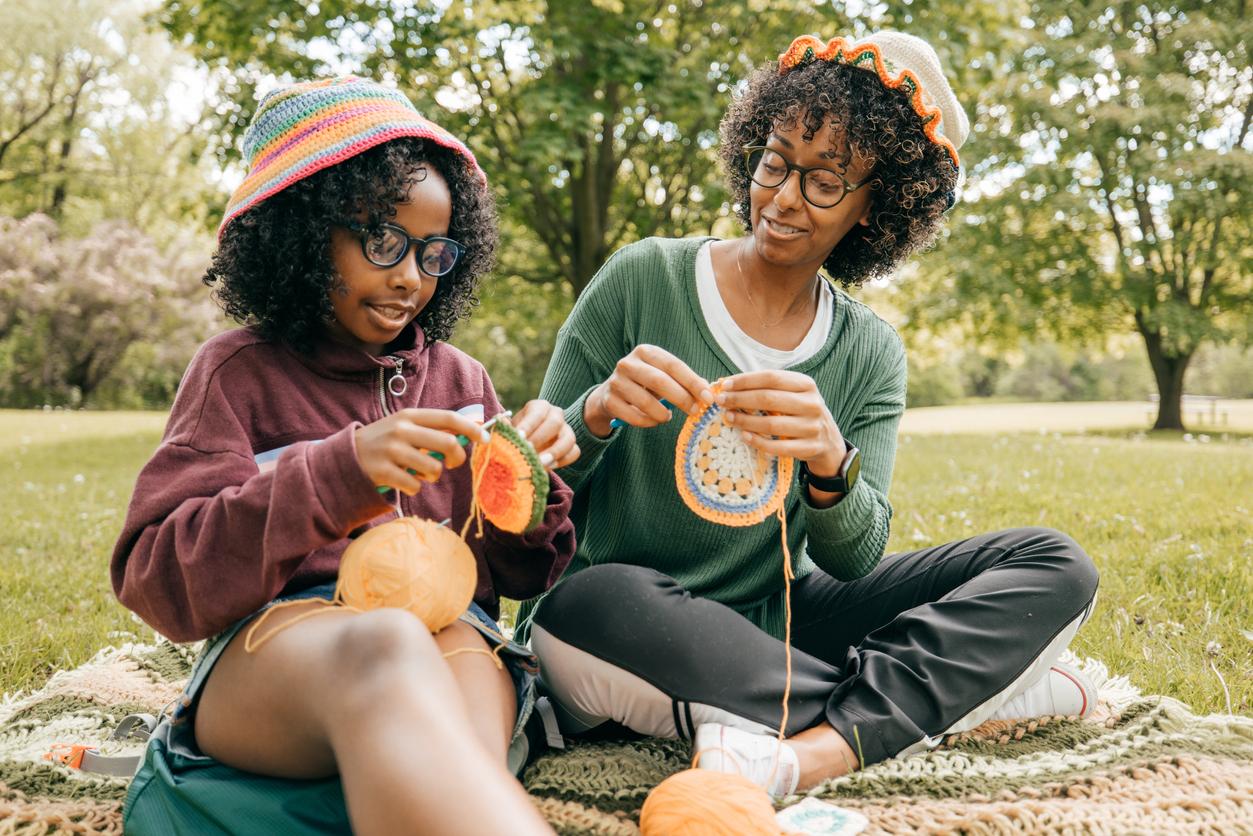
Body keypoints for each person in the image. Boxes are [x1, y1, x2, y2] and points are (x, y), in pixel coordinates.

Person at [516, 32, 1100, 799]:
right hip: (623, 626)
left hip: (772, 627)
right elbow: (526, 502)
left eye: (825, 181)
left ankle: (804, 750)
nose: (784, 197)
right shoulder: (641, 278)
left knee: (1052, 564)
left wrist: (830, 465)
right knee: (595, 600)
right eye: (775, 161)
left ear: (873, 208)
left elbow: (854, 557)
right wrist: (589, 418)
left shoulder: (867, 351)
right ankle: (948, 702)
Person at [110, 77, 578, 835]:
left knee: (456, 687)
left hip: (452, 631)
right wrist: (340, 471)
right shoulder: (238, 374)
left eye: (434, 253)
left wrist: (526, 483)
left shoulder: (461, 380)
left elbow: (524, 573)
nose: (408, 278)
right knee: (387, 643)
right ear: (302, 233)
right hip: (284, 655)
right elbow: (160, 581)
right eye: (383, 242)